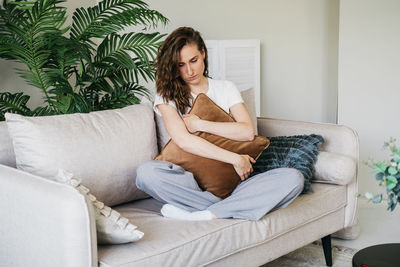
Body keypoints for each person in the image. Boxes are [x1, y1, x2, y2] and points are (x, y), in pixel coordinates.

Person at [136, 27, 304, 221]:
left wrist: (200, 125)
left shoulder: (225, 88)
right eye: (181, 65)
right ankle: (226, 209)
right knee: (146, 173)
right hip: (190, 185)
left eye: (194, 60)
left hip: (236, 184)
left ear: (203, 54)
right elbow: (184, 141)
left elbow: (247, 132)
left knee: (293, 179)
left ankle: (206, 213)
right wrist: (235, 158)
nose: (189, 71)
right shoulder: (166, 96)